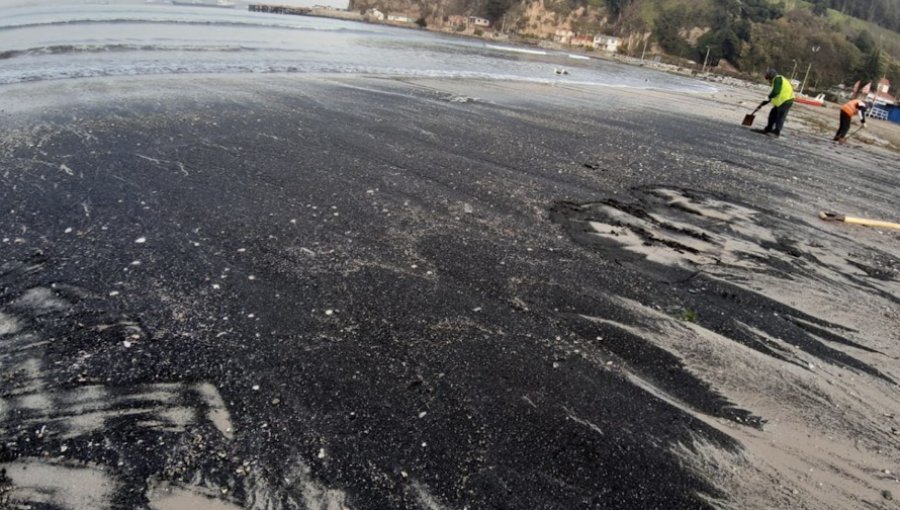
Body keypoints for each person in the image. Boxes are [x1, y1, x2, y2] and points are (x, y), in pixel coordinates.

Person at [755, 68, 794, 137]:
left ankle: (776, 132)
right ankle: (768, 129)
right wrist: (762, 104)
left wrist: (769, 97)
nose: (768, 81)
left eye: (768, 79)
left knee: (780, 116)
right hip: (782, 101)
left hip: (786, 101)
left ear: (771, 76)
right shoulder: (777, 80)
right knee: (773, 114)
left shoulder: (777, 79)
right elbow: (773, 95)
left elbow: (775, 92)